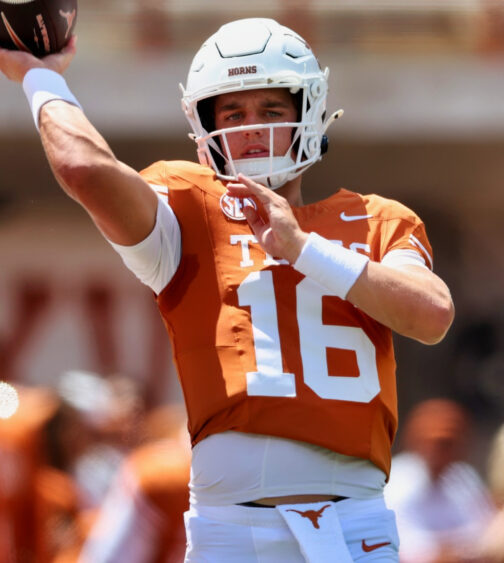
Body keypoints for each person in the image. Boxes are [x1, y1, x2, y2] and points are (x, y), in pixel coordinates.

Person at [0, 17, 454, 562]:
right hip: (231, 533)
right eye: (233, 113)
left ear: (307, 113)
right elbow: (83, 167)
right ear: (204, 126)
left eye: (271, 110)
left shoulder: (379, 219)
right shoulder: (189, 207)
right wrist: (40, 78)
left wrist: (303, 248)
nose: (251, 129)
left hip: (355, 529)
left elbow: (431, 313)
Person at [383, 399, 495, 562]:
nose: (438, 451)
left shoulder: (464, 477)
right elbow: (409, 551)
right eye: (436, 442)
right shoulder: (395, 483)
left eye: (450, 443)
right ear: (414, 440)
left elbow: (488, 532)